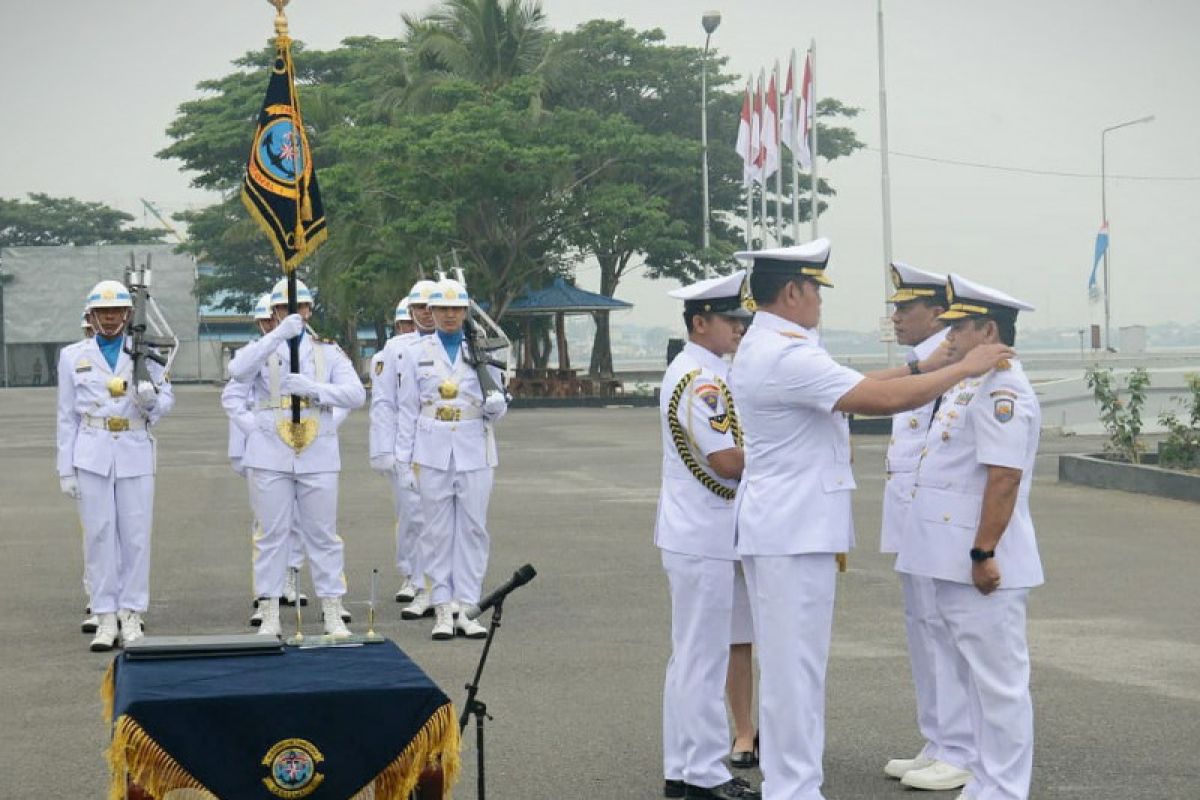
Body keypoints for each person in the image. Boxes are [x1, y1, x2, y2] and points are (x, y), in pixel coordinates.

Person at [729, 240, 1014, 800]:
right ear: (793, 291)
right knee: (795, 674)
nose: (819, 303)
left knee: (794, 671)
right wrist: (965, 368)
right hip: (793, 530)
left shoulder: (773, 343)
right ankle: (793, 790)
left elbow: (853, 383)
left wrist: (924, 365)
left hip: (784, 526)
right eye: (815, 291)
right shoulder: (788, 352)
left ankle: (794, 786)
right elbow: (878, 401)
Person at [895, 274, 1042, 800]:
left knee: (999, 684)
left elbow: (1003, 479)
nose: (948, 334)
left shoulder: (1003, 390)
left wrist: (983, 552)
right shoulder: (972, 383)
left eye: (960, 326)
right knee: (975, 679)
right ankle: (985, 780)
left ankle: (1004, 789)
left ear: (990, 330)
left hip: (984, 561)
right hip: (952, 558)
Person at [656, 271, 760, 800]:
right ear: (701, 323)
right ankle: (703, 775)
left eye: (743, 319)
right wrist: (784, 457)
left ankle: (683, 768)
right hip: (704, 533)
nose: (741, 328)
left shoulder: (700, 368)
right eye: (731, 320)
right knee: (702, 659)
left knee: (691, 657)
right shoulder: (704, 381)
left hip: (697, 531)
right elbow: (726, 461)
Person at [880, 264, 975, 792]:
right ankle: (939, 740)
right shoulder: (922, 364)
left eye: (904, 308)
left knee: (945, 630)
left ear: (936, 314)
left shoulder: (951, 363)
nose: (895, 318)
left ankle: (961, 747)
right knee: (922, 628)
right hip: (912, 515)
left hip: (940, 518)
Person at [227, 277, 365, 638]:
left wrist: (316, 391)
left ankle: (332, 607)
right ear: (274, 312)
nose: (293, 314)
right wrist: (253, 428)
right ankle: (269, 607)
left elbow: (355, 395)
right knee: (271, 534)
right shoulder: (261, 349)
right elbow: (236, 375)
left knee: (322, 534)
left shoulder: (328, 351)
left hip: (317, 451)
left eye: (299, 307)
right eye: (284, 309)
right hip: (269, 451)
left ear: (309, 310)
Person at [57, 280, 175, 651]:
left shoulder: (143, 350)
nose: (109, 319)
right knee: (98, 535)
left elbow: (167, 396)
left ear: (127, 314)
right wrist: (65, 468)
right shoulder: (71, 355)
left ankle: (132, 613)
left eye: (116, 312)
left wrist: (151, 399)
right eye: (102, 312)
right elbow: (65, 417)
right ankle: (105, 615)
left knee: (136, 536)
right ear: (90, 315)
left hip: (134, 447)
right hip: (91, 450)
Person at [394, 278, 507, 640]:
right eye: (441, 309)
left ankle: (468, 606)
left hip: (475, 447)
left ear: (465, 312)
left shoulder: (485, 349)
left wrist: (497, 406)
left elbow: (498, 401)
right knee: (436, 531)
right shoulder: (415, 352)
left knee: (474, 529)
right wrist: (403, 462)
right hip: (431, 449)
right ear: (430, 312)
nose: (448, 315)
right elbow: (407, 410)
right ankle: (443, 607)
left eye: (455, 309)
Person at [223, 293, 311, 628]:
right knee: (267, 524)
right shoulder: (255, 353)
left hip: (302, 444)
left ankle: (291, 575)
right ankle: (266, 596)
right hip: (260, 448)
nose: (269, 324)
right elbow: (235, 399)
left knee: (300, 520)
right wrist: (252, 433)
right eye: (266, 320)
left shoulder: (306, 350)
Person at [369, 281, 439, 616]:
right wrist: (384, 451)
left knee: (440, 518)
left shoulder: (455, 343)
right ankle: (413, 576)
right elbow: (384, 404)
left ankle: (437, 582)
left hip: (440, 440)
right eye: (409, 318)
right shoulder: (393, 351)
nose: (419, 319)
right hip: (405, 446)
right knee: (411, 516)